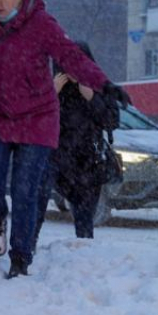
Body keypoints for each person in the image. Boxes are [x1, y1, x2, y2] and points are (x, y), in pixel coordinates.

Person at [0, 0, 130, 279]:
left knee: (26, 191)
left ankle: (21, 259)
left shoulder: (42, 24)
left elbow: (74, 57)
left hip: (37, 118)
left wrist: (105, 85)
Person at [35, 42, 119, 243]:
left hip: (87, 160)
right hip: (54, 156)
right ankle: (28, 246)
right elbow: (33, 121)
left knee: (84, 214)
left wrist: (91, 96)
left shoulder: (99, 86)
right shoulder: (49, 86)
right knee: (36, 204)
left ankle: (84, 251)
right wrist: (51, 94)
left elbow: (111, 121)